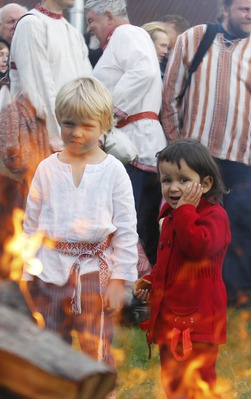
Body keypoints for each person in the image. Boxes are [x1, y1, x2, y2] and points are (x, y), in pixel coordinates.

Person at [162, 0, 251, 308]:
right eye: (244, 9)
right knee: (190, 224)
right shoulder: (194, 38)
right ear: (226, 8)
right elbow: (170, 96)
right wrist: (179, 149)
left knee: (239, 228)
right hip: (195, 159)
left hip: (240, 160)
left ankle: (236, 295)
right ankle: (188, 291)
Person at [23, 77, 138, 367]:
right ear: (59, 120)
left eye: (87, 126)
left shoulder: (114, 172)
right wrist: (26, 275)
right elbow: (30, 226)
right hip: (49, 271)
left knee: (95, 344)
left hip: (93, 275)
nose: (76, 133)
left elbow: (126, 232)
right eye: (69, 123)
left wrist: (119, 281)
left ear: (104, 126)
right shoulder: (47, 168)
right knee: (48, 343)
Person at [134, 138, 230, 399]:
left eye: (183, 180)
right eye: (166, 180)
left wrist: (186, 212)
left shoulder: (213, 217)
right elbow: (172, 262)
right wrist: (152, 279)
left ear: (205, 183)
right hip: (170, 321)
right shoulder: (173, 216)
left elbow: (198, 247)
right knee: (174, 388)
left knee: (199, 389)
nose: (173, 188)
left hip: (198, 325)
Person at [84, 0, 167, 266]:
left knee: (133, 222)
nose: (89, 29)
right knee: (137, 221)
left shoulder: (127, 34)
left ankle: (139, 292)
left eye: (91, 21)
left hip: (134, 144)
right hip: (134, 143)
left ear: (108, 15)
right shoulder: (126, 38)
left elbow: (143, 73)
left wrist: (105, 115)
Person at [10, 0, 92, 154]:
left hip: (74, 140)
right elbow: (38, 91)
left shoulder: (72, 32)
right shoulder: (31, 24)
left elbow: (87, 89)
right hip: (45, 144)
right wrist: (59, 142)